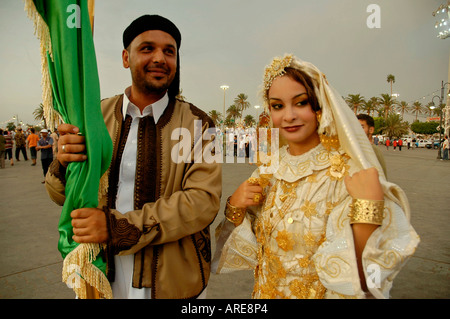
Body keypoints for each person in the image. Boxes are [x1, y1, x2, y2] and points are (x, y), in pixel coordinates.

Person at [44, 14, 221, 299]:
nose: (160, 58)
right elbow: (63, 195)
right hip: (102, 270)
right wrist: (64, 162)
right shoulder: (95, 118)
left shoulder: (196, 123)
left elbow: (202, 202)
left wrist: (118, 228)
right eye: (147, 48)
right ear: (126, 58)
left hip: (170, 276)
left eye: (169, 51)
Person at [213, 55, 419, 299]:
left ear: (320, 107)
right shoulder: (268, 170)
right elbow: (236, 251)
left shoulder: (345, 173)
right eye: (278, 106)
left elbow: (365, 282)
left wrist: (368, 211)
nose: (288, 116)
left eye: (300, 103)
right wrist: (234, 206)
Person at [357, 113, 387, 178]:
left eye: (361, 127)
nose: (357, 130)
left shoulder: (372, 150)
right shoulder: (361, 148)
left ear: (371, 130)